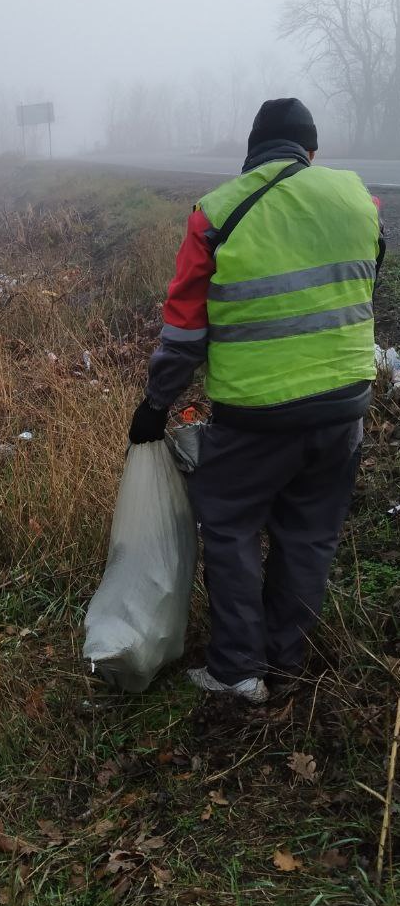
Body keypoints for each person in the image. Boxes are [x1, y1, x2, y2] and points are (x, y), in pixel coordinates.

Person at [129, 99, 383, 703]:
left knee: (229, 526)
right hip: (344, 409)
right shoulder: (361, 202)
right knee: (309, 536)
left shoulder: (218, 213)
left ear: (252, 152)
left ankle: (239, 670)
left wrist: (155, 405)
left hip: (256, 415)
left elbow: (185, 335)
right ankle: (286, 663)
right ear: (310, 151)